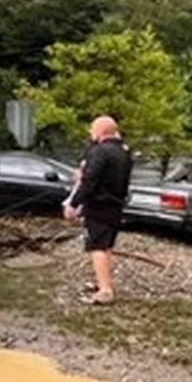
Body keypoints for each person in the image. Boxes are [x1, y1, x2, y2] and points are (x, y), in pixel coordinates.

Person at [63, 116, 133, 304]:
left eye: (92, 128)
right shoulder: (123, 151)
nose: (90, 131)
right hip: (116, 205)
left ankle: (105, 291)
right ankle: (103, 282)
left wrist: (74, 203)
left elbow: (90, 181)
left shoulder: (101, 151)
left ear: (102, 131)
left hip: (99, 205)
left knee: (97, 247)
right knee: (106, 245)